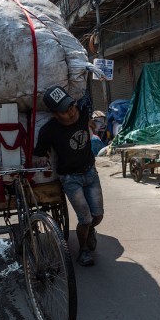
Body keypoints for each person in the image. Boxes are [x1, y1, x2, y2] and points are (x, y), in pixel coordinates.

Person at [34, 85, 104, 267]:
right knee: (85, 218)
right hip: (70, 179)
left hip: (90, 173)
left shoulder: (81, 113)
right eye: (64, 111)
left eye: (71, 106)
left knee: (97, 216)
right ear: (55, 114)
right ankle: (84, 251)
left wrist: (92, 125)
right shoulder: (49, 130)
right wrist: (41, 160)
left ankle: (89, 232)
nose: (71, 112)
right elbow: (39, 152)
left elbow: (91, 122)